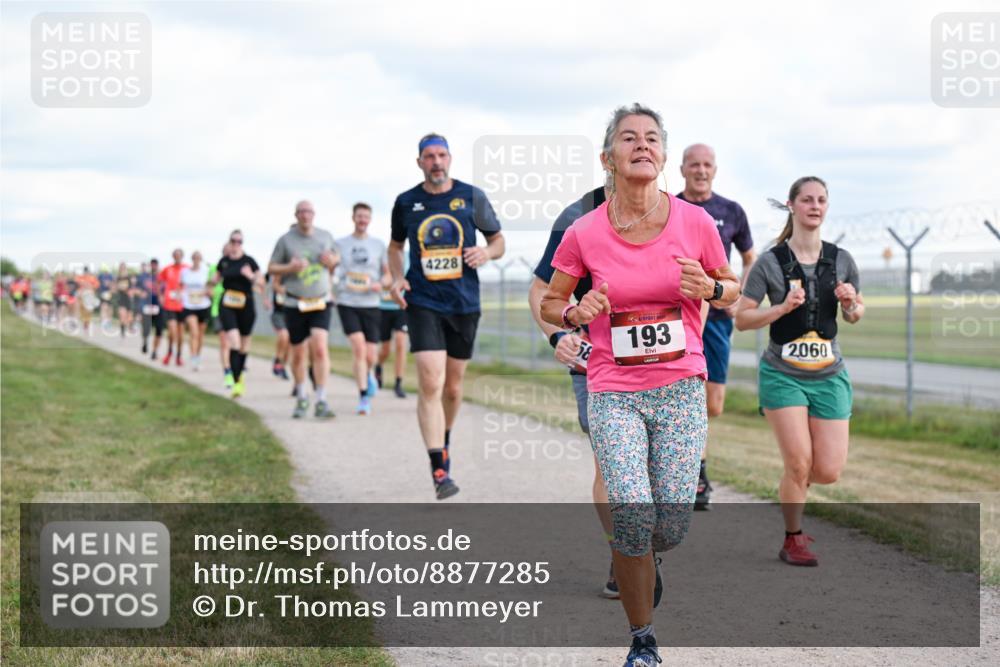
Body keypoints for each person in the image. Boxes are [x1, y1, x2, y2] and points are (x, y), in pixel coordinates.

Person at [540, 104, 740, 667]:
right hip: (614, 388)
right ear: (609, 157)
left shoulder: (696, 223)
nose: (642, 145)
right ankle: (642, 640)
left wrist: (711, 287)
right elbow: (553, 303)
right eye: (629, 138)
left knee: (668, 526)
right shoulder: (584, 232)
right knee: (631, 512)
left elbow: (733, 292)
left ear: (664, 156)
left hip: (679, 385)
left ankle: (645, 559)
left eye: (652, 138)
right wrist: (577, 312)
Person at [734, 176, 863, 567]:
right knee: (798, 464)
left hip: (829, 373)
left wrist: (851, 301)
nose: (815, 206)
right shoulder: (769, 263)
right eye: (807, 199)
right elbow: (742, 318)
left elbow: (856, 315)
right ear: (792, 205)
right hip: (782, 373)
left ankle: (796, 486)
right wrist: (781, 308)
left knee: (827, 471)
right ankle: (793, 538)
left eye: (821, 200)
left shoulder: (842, 259)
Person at [388, 132, 505, 500]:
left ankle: (444, 438)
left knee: (452, 389)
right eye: (429, 156)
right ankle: (439, 468)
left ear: (450, 159)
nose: (436, 162)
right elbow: (395, 247)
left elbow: (499, 240)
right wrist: (396, 277)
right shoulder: (406, 202)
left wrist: (487, 253)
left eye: (441, 155)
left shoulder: (472, 196)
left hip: (464, 304)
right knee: (430, 381)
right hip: (423, 302)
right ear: (419, 162)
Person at [677, 143, 756, 509]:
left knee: (713, 403)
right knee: (682, 393)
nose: (701, 170)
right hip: (678, 315)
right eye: (694, 164)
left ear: (715, 170)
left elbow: (748, 258)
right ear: (682, 169)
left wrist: (741, 294)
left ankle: (688, 458)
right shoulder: (669, 208)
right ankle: (695, 473)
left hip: (718, 316)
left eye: (707, 164)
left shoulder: (731, 212)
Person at [268, 200, 340, 419]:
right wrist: (290, 267)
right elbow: (271, 267)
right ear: (296, 215)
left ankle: (321, 398)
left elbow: (337, 259)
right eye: (301, 212)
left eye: (309, 211)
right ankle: (301, 396)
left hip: (320, 300)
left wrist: (331, 260)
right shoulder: (285, 240)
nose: (305, 215)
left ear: (314, 214)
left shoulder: (325, 236)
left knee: (319, 348)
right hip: (294, 302)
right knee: (299, 354)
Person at [336, 202, 392, 415]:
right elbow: (332, 264)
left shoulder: (378, 245)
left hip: (371, 304)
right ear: (353, 217)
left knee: (370, 355)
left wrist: (383, 283)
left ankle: (368, 373)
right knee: (358, 348)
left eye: (366, 217)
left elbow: (387, 274)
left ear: (370, 219)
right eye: (359, 216)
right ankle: (363, 397)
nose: (362, 220)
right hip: (348, 302)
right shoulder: (340, 243)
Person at [211, 230, 263, 398]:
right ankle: (233, 377)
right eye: (233, 241)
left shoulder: (249, 261)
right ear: (229, 241)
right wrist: (210, 283)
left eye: (239, 241)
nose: (236, 244)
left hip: (246, 304)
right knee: (234, 341)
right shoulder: (224, 262)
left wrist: (250, 276)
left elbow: (261, 282)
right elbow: (214, 280)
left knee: (244, 345)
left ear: (242, 243)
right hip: (227, 303)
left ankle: (239, 379)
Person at [376, 251, 409, 399]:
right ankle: (378, 365)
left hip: (401, 308)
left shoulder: (409, 255)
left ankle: (398, 383)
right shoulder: (380, 255)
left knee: (401, 343)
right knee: (385, 349)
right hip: (383, 308)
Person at [181, 251, 212, 371]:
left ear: (201, 259)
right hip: (189, 305)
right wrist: (179, 295)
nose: (196, 260)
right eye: (195, 258)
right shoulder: (185, 272)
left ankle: (198, 356)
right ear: (192, 259)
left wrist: (208, 292)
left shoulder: (206, 272)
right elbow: (180, 286)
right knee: (194, 332)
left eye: (199, 258)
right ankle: (193, 357)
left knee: (200, 334)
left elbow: (210, 287)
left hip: (203, 305)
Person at [159, 249, 188, 366]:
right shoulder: (167, 269)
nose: (177, 257)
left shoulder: (187, 268)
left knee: (180, 334)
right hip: (170, 304)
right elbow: (159, 282)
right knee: (172, 330)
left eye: (179, 255)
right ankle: (169, 352)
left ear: (182, 256)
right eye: (175, 255)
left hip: (182, 304)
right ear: (173, 256)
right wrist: (161, 295)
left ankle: (178, 355)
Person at [136, 260, 164, 357]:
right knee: (146, 328)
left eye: (155, 265)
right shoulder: (143, 277)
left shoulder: (162, 277)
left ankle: (155, 351)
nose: (153, 267)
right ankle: (145, 342)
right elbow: (136, 289)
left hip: (158, 306)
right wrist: (140, 293)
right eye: (152, 265)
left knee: (159, 329)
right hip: (146, 306)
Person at [266, 272, 291, 380]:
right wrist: (265, 299)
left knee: (290, 341)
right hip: (277, 312)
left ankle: (282, 366)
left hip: (291, 311)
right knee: (284, 334)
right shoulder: (276, 271)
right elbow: (266, 284)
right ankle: (278, 359)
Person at [74, 266, 99, 334]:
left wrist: (89, 287)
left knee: (88, 311)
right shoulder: (80, 277)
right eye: (85, 272)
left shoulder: (92, 278)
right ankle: (76, 322)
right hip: (81, 296)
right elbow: (77, 282)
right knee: (79, 308)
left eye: (87, 272)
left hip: (89, 296)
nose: (86, 273)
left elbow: (96, 286)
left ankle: (86, 324)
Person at [114, 262, 135, 337]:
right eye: (121, 267)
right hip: (121, 298)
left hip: (128, 299)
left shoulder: (129, 278)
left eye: (124, 267)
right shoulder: (118, 278)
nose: (123, 269)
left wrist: (131, 291)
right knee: (122, 315)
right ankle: (122, 332)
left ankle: (130, 326)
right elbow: (117, 288)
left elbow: (131, 288)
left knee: (129, 316)